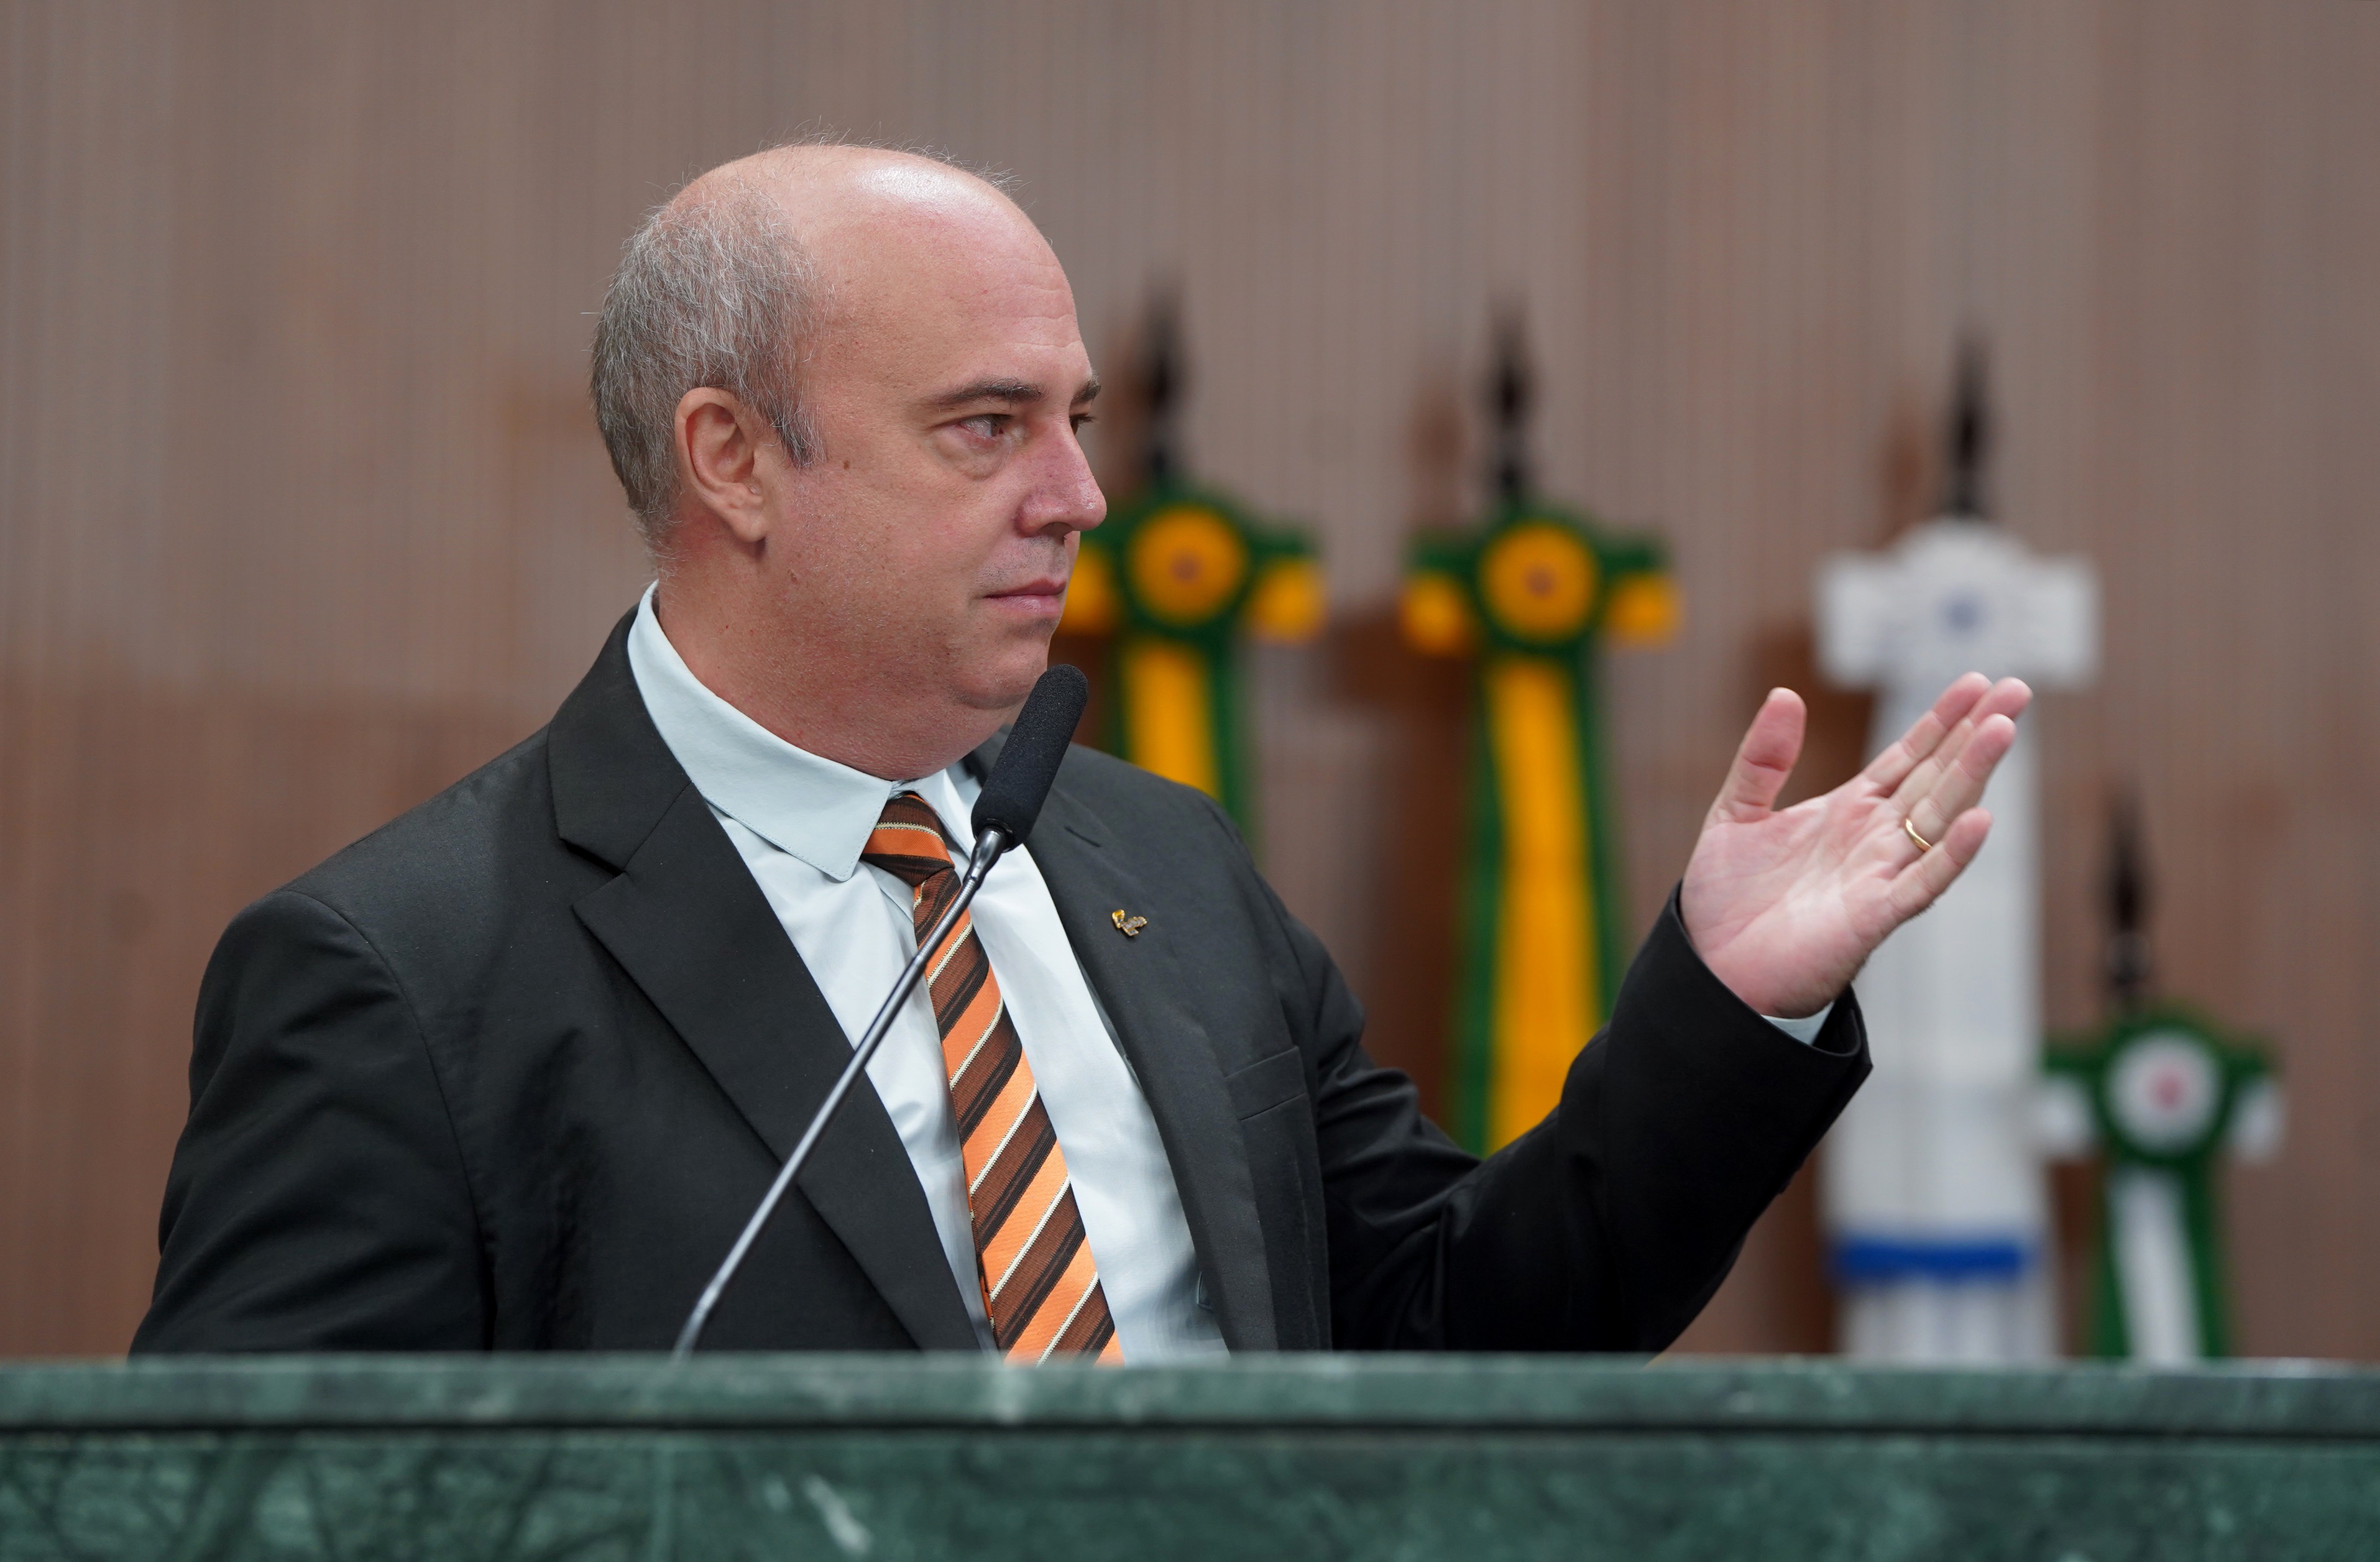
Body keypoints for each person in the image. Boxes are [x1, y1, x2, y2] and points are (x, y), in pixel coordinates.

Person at [132, 144, 2028, 1358]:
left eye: (1078, 419)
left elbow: (1456, 1323)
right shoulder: (401, 974)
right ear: (732, 462)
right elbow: (262, 1530)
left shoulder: (1160, 862)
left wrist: (1732, 1004)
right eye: (987, 428)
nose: (1080, 496)